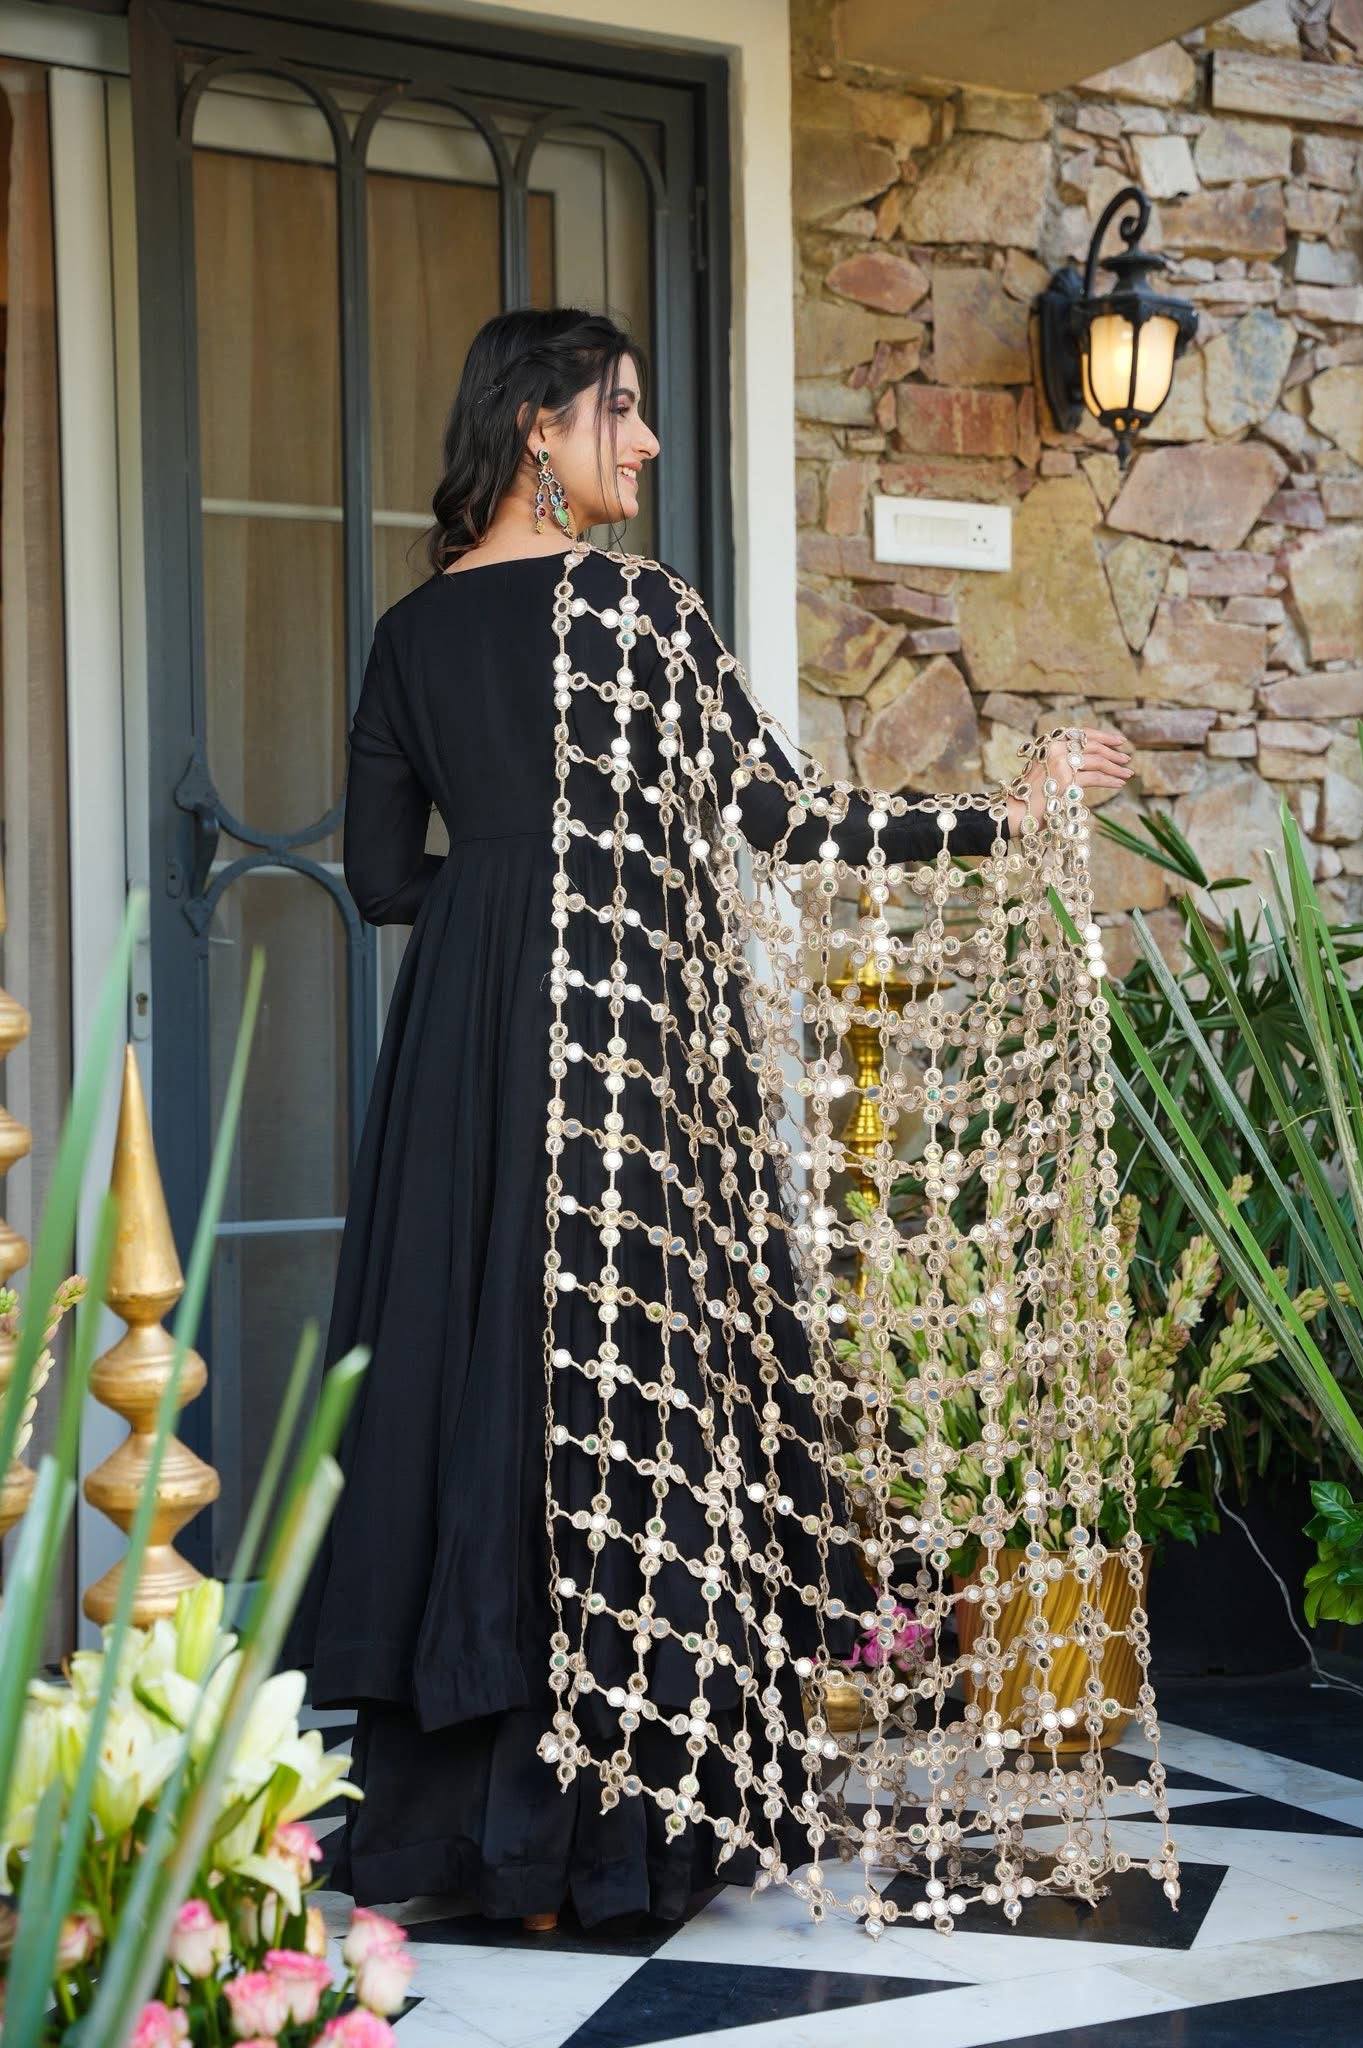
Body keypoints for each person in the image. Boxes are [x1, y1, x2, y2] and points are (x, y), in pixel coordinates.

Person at [282, 305, 1134, 1935]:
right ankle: (612, 1835)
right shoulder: (635, 608)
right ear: (536, 425)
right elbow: (785, 819)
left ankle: (454, 1833)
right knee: (626, 1382)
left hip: (462, 1051)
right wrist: (1004, 816)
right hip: (621, 1044)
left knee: (475, 1374)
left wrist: (505, 909)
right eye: (619, 408)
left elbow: (385, 878)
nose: (647, 440)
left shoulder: (408, 632)